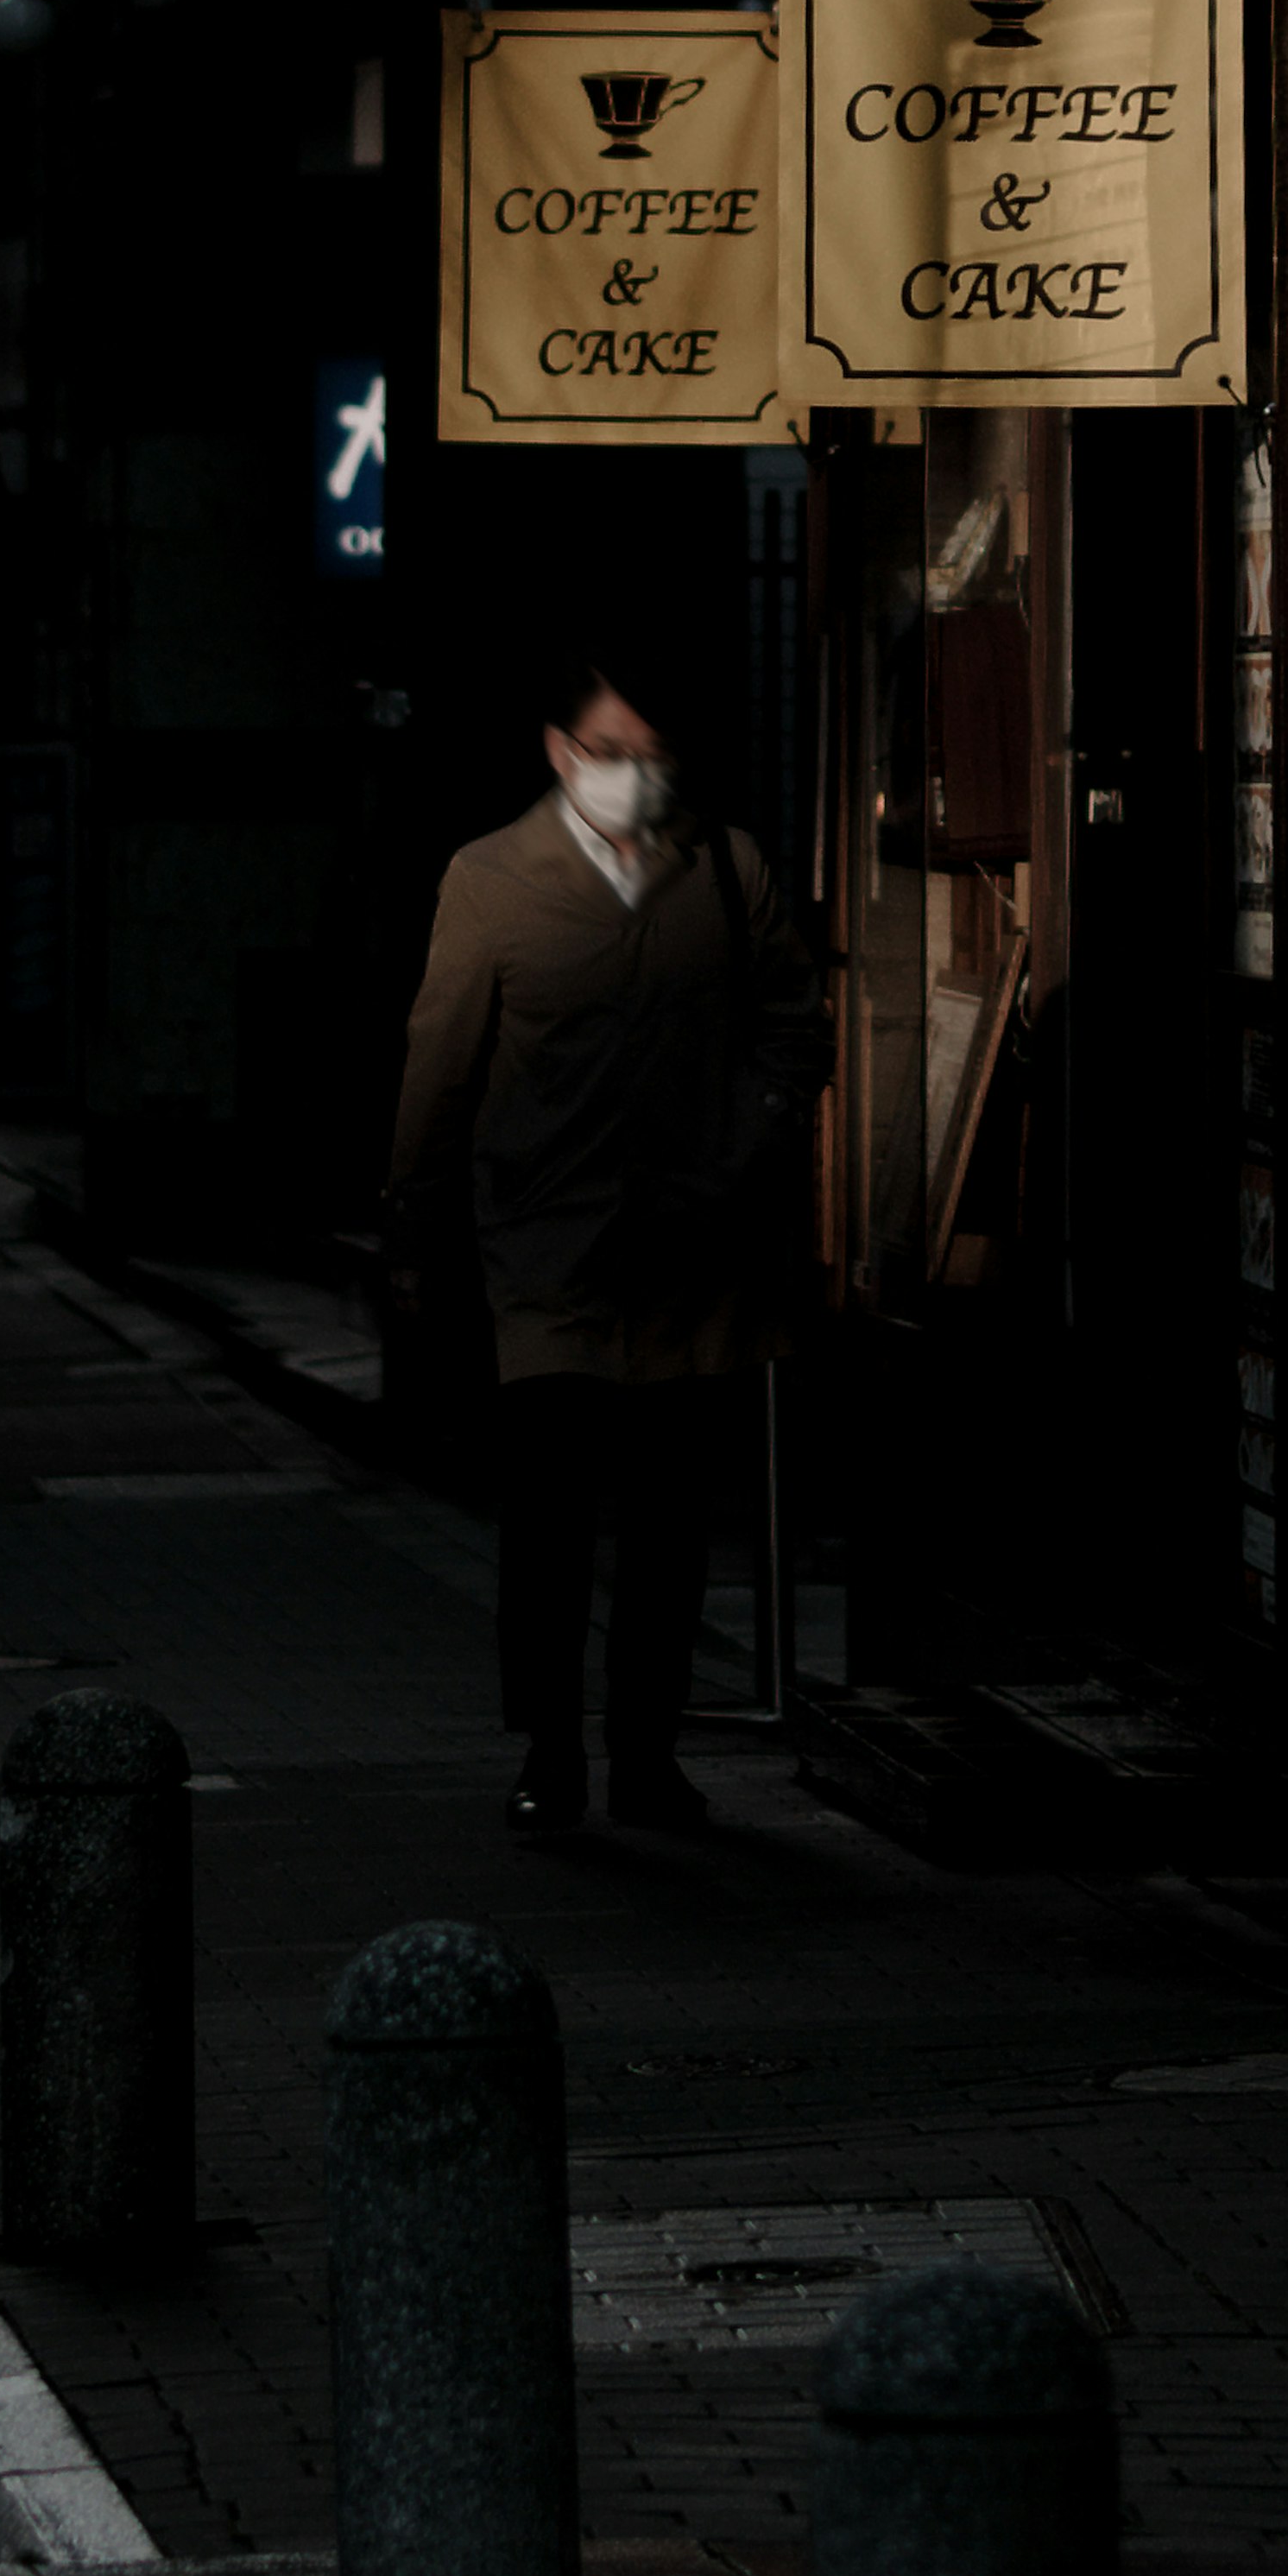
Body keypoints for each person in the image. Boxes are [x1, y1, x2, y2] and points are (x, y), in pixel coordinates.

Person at [388, 649, 829, 1839]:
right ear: (559, 750)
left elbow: (798, 1028)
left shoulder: (726, 871)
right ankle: (549, 1747)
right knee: (549, 1521)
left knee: (671, 1529)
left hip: (695, 1254)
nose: (635, 776)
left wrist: (756, 1138)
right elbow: (439, 1070)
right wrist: (416, 1233)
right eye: (611, 753)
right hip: (548, 1254)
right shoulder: (492, 880)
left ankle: (647, 1751)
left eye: (653, 755)